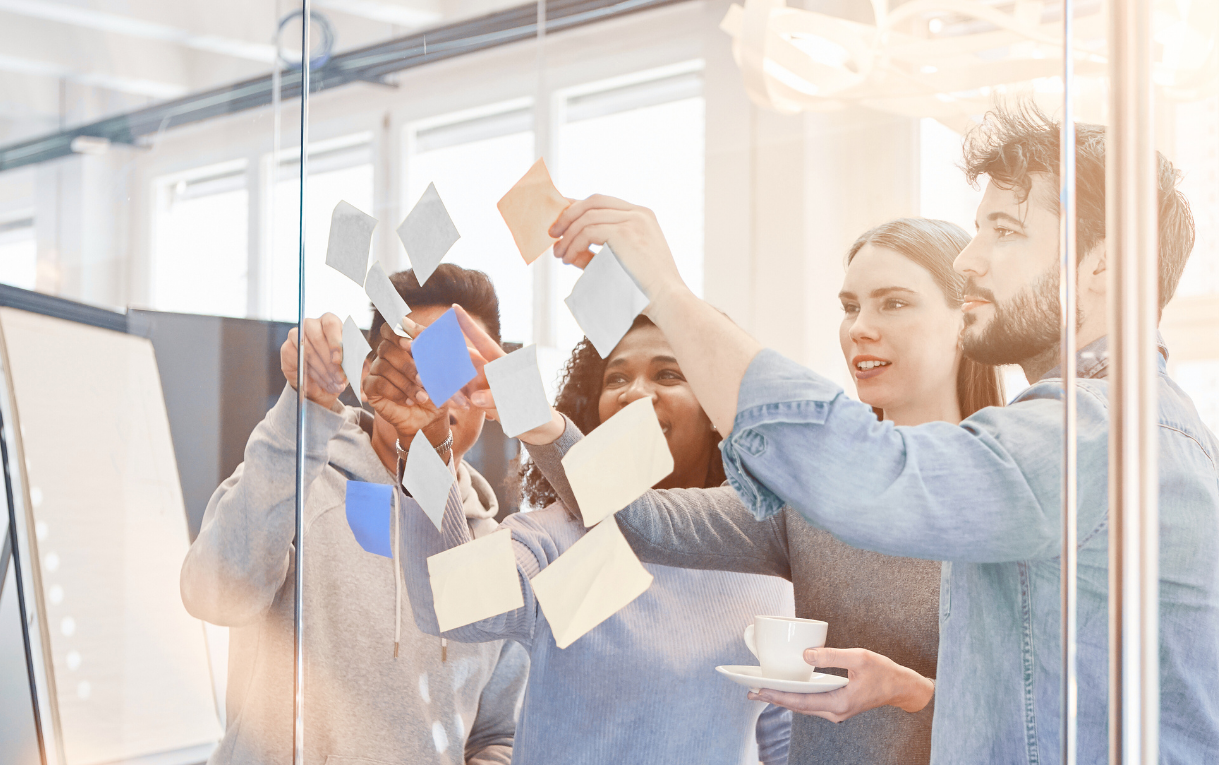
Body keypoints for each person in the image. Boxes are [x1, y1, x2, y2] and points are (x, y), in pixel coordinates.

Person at [547, 103, 1219, 763]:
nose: (971, 261)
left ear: (1105, 266)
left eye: (1006, 231)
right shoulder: (1095, 427)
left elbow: (869, 472)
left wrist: (667, 290)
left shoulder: (1095, 432)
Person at [514, 218, 1003, 764]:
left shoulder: (1006, 493)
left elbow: (1049, 720)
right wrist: (540, 422)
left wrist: (915, 694)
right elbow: (645, 520)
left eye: (893, 303)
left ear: (967, 320)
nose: (860, 328)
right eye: (849, 306)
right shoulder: (814, 493)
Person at [369, 310, 794, 764]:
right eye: (616, 379)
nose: (634, 393)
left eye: (668, 374)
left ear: (716, 408)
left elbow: (786, 739)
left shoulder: (763, 558)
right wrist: (428, 444)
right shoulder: (560, 539)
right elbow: (449, 602)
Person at [179, 265, 528, 765]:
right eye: (415, 357)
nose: (434, 383)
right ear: (371, 374)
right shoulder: (301, 477)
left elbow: (498, 733)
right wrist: (304, 411)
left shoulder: (497, 551)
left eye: (458, 361)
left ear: (488, 392)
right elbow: (211, 594)